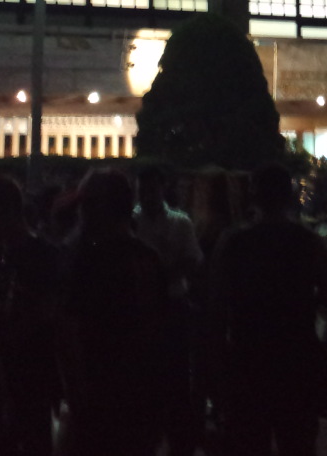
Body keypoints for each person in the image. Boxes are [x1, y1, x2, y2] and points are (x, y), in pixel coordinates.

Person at [211, 162, 327, 456]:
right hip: (296, 357)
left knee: (248, 442)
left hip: (248, 358)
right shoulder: (308, 242)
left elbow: (217, 304)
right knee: (297, 443)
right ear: (289, 196)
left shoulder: (235, 242)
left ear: (253, 196)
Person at [58, 169, 170, 456]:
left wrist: (75, 395)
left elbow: (69, 332)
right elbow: (161, 335)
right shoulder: (147, 258)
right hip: (140, 398)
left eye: (86, 205)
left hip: (96, 398)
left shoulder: (83, 259)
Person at [0, 175, 63, 456]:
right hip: (0, 386)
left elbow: (51, 316)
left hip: (32, 381)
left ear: (7, 212)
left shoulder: (46, 257)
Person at [134, 166, 203, 456]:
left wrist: (160, 277)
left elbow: (192, 260)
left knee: (176, 378)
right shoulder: (131, 222)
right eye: (142, 189)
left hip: (171, 307)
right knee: (145, 379)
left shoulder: (180, 222)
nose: (147, 194)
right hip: (142, 310)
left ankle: (178, 440)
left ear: (162, 188)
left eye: (151, 188)